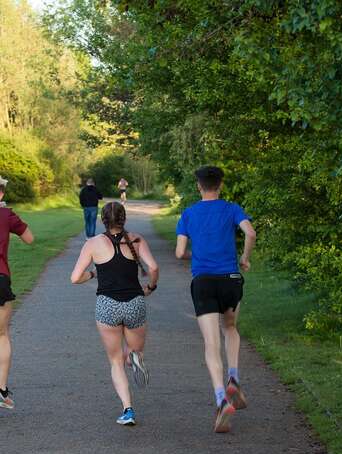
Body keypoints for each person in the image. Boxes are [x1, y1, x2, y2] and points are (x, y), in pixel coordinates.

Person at [175, 166, 256, 433]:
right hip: (231, 280)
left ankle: (221, 398)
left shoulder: (188, 213)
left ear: (199, 186)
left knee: (211, 342)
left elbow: (179, 253)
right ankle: (234, 376)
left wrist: (196, 256)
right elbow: (251, 233)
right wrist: (244, 258)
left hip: (204, 282)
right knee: (230, 328)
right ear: (220, 185)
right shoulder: (232, 208)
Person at [71, 201, 159, 426]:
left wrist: (93, 274)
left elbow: (74, 278)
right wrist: (150, 287)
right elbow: (154, 268)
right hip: (135, 302)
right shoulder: (137, 240)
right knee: (134, 349)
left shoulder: (92, 243)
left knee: (114, 361)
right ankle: (134, 356)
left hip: (107, 305)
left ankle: (128, 410)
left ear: (103, 220)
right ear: (124, 219)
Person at [0, 177, 34, 410]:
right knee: (1, 334)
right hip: (0, 277)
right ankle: (1, 389)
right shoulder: (6, 215)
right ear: (1, 193)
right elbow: (30, 239)